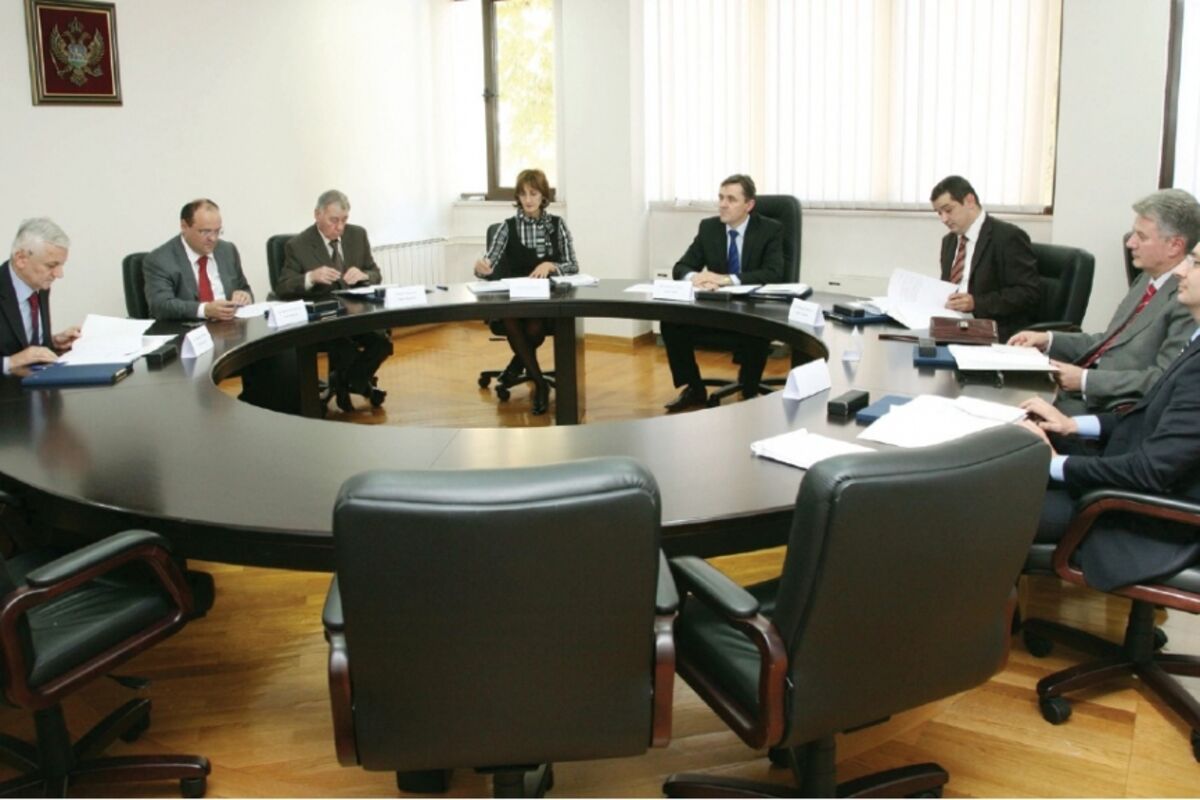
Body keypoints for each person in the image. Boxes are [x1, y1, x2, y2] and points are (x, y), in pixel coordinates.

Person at [1018, 248, 1200, 592]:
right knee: (1010, 477)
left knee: (993, 506)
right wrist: (1072, 425)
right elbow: (1150, 415)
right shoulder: (1196, 341)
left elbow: (1150, 472)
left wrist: (1055, 464)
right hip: (1123, 485)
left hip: (1139, 520)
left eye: (1196, 263)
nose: (1180, 271)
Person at [1008, 189, 1200, 415]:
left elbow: (1163, 379)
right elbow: (1111, 341)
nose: (1130, 243)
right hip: (1083, 391)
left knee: (1014, 414)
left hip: (1114, 408)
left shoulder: (1187, 299)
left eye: (1141, 237)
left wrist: (1085, 380)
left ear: (1175, 245)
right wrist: (1048, 340)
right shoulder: (1146, 279)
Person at [660, 174, 784, 413]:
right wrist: (695, 277)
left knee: (758, 327)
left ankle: (749, 390)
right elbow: (681, 267)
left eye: (731, 199)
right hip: (716, 310)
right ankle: (694, 388)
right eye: (720, 198)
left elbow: (774, 273)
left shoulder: (770, 230)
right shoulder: (709, 228)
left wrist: (726, 280)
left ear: (749, 205)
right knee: (671, 321)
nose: (723, 205)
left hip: (753, 311)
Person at [474, 168, 578, 416]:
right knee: (513, 320)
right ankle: (540, 384)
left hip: (547, 300)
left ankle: (517, 365)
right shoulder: (506, 228)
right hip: (515, 300)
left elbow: (573, 265)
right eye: (523, 194)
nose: (528, 199)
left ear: (543, 196)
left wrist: (551, 265)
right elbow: (489, 264)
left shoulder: (557, 226)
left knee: (534, 327)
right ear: (517, 198)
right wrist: (481, 268)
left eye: (533, 193)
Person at [277, 190, 392, 411]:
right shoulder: (298, 245)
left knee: (382, 344)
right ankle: (355, 383)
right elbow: (283, 287)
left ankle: (344, 381)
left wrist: (364, 275)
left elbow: (375, 273)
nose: (339, 227)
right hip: (324, 319)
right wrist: (311, 277)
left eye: (344, 220)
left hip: (357, 313)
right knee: (345, 349)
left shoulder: (357, 235)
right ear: (317, 215)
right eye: (334, 220)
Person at [930, 175, 1040, 340]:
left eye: (948, 210)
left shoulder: (1008, 237)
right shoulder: (949, 242)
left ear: (969, 201)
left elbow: (1028, 293)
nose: (943, 219)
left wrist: (976, 303)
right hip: (952, 327)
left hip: (992, 331)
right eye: (939, 213)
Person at [143, 199, 254, 321]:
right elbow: (160, 306)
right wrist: (204, 310)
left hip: (230, 326)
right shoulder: (160, 260)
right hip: (189, 329)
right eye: (205, 232)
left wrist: (244, 296)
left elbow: (244, 288)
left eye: (217, 231)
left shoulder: (227, 250)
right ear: (184, 226)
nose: (213, 238)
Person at [1, 218, 80, 374]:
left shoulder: (39, 286)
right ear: (21, 259)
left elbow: (21, 341)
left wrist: (53, 341)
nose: (59, 274)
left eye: (61, 265)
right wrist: (11, 362)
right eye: (51, 265)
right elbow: (17, 354)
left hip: (36, 383)